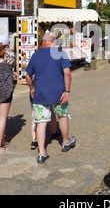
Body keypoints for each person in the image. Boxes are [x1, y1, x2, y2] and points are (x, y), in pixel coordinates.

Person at [25, 32, 75, 164]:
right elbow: (67, 73)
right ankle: (65, 142)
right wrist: (67, 91)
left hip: (40, 94)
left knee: (41, 122)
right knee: (62, 116)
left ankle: (42, 153)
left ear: (43, 42)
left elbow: (28, 76)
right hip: (59, 93)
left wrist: (32, 88)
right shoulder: (61, 53)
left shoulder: (36, 55)